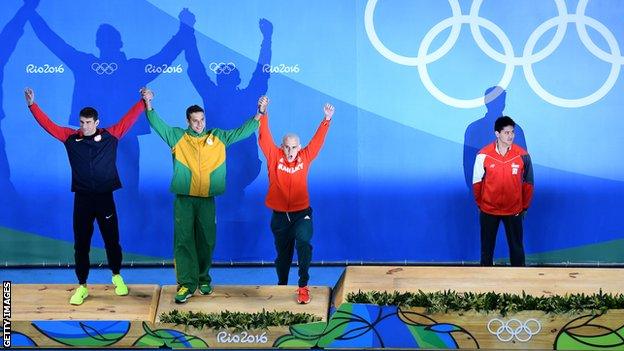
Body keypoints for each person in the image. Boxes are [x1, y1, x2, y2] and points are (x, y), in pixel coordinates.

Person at [25, 87, 146, 305]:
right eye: (82, 122)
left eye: (89, 122)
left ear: (96, 122)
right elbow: (49, 126)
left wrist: (143, 101)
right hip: (82, 200)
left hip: (105, 198)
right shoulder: (70, 138)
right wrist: (33, 105)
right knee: (81, 245)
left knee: (112, 241)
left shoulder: (111, 135)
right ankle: (81, 286)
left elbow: (129, 118)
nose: (85, 126)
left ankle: (117, 276)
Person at [142, 89, 261, 304]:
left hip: (207, 199)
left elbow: (242, 131)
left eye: (202, 119)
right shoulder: (178, 137)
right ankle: (186, 284)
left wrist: (259, 113)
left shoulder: (218, 137)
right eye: (195, 121)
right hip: (184, 199)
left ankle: (203, 278)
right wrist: (148, 104)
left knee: (207, 240)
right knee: (184, 240)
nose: (199, 124)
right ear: (188, 121)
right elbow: (158, 125)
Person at [256, 96, 334, 304]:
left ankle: (303, 286)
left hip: (302, 214)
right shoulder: (274, 157)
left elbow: (317, 142)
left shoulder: (305, 157)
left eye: (294, 147)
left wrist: (326, 119)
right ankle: (282, 285)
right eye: (287, 147)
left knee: (304, 243)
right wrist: (263, 113)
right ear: (282, 147)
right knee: (283, 259)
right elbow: (264, 137)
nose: (290, 152)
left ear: (299, 147)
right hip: (280, 218)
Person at [472, 116, 534, 267]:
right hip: (488, 210)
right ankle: (485, 286)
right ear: (497, 133)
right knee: (487, 250)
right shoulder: (483, 154)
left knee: (517, 249)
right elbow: (477, 182)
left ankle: (519, 286)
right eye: (506, 132)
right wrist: (483, 205)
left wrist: (524, 206)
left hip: (514, 210)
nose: (511, 136)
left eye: (512, 132)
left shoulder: (523, 155)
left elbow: (529, 183)